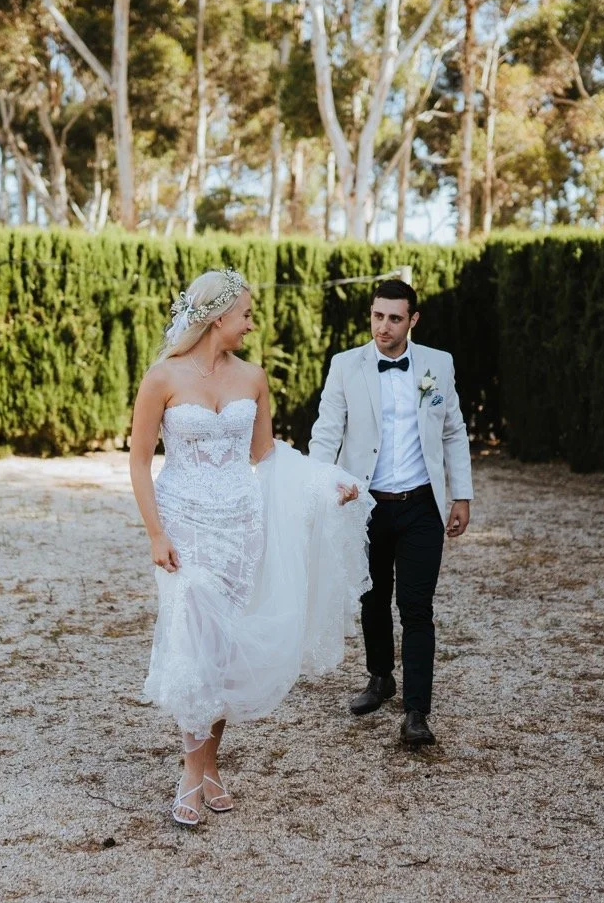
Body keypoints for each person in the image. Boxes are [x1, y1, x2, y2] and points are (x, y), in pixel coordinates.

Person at [128, 267, 373, 827]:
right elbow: (139, 462)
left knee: (223, 647)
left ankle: (210, 765)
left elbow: (267, 455)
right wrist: (156, 533)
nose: (251, 324)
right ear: (218, 317)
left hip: (241, 525)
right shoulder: (161, 378)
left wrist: (325, 484)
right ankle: (191, 775)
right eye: (246, 314)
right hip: (184, 526)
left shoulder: (253, 377)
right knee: (194, 640)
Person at [308, 279, 473, 747]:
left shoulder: (438, 364)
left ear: (412, 320)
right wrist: (320, 487)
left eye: (395, 318)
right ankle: (380, 677)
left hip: (421, 506)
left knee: (416, 608)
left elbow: (453, 431)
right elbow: (326, 432)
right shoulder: (345, 365)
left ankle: (417, 712)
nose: (384, 326)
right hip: (366, 506)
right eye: (378, 316)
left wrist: (461, 496)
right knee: (373, 598)